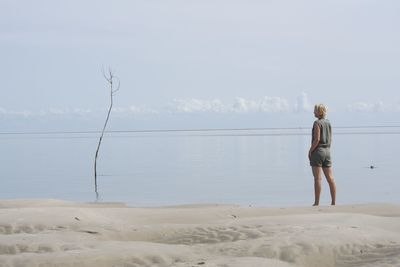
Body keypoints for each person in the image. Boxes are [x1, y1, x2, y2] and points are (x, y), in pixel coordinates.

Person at [308, 104, 336, 206]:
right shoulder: (328, 123)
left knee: (318, 178)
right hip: (327, 151)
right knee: (330, 178)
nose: (313, 112)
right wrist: (327, 149)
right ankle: (333, 202)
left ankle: (316, 203)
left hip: (318, 151)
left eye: (315, 110)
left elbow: (317, 139)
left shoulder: (317, 123)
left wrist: (310, 150)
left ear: (319, 112)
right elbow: (330, 139)